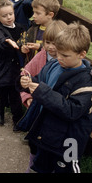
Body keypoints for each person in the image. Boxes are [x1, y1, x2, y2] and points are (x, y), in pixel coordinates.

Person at [20, 22, 92, 173]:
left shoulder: (85, 83)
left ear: (82, 54)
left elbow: (72, 111)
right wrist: (29, 82)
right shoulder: (55, 65)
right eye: (58, 52)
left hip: (71, 139)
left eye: (65, 55)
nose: (59, 57)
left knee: (65, 169)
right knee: (42, 163)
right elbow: (41, 81)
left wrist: (42, 91)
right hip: (49, 132)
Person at [16, 19, 67, 171]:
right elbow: (26, 72)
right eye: (47, 42)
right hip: (38, 108)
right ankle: (33, 166)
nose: (51, 47)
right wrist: (27, 95)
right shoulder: (42, 55)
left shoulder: (67, 62)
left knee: (50, 145)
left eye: (55, 43)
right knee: (35, 143)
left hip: (55, 114)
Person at [0, 0, 26, 128]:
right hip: (2, 68)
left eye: (10, 14)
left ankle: (17, 119)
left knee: (15, 95)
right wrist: (7, 42)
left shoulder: (21, 28)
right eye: (4, 16)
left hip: (16, 68)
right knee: (1, 93)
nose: (9, 17)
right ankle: (0, 113)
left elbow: (23, 41)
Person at [20, 0, 61, 64]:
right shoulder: (33, 28)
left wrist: (40, 47)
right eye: (34, 12)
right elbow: (24, 40)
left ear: (50, 15)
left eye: (38, 13)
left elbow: (59, 48)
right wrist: (23, 47)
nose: (34, 16)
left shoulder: (57, 31)